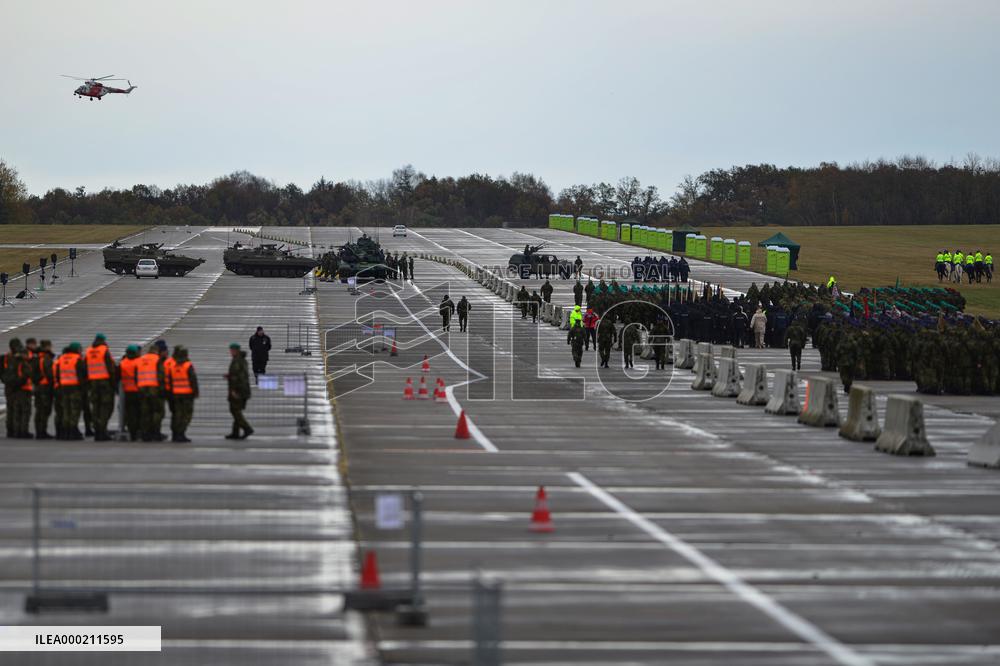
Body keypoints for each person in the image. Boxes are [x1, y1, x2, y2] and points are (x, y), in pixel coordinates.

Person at [85, 333, 117, 441]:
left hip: (93, 383)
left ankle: (97, 430)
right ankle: (102, 430)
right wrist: (114, 384)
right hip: (104, 383)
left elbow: (85, 368)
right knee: (106, 407)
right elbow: (110, 368)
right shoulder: (104, 350)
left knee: (95, 407)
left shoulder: (88, 351)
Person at [2, 338, 33, 438]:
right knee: (22, 410)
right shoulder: (21, 359)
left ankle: (11, 430)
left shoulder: (6, 357)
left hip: (9, 386)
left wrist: (6, 381)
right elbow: (26, 373)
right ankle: (21, 431)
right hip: (21, 387)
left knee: (12, 409)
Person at [138, 341, 168, 442]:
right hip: (155, 390)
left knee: (145, 413)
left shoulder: (141, 359)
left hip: (142, 389)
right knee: (157, 412)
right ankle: (156, 433)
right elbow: (161, 376)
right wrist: (163, 389)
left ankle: (145, 434)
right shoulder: (157, 359)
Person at [56, 342, 87, 440]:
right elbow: (82, 374)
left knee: (66, 410)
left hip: (64, 387)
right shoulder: (77, 359)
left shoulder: (61, 358)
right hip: (75, 387)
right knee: (75, 410)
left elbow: (57, 373)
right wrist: (83, 388)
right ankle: (73, 431)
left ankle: (66, 431)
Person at [169, 345, 198, 442]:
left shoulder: (173, 366)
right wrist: (195, 392)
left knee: (178, 414)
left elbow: (170, 380)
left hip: (176, 393)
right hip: (187, 394)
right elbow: (193, 380)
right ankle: (181, 433)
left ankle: (176, 434)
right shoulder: (188, 365)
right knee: (186, 415)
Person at [225, 343, 253, 439]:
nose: (230, 352)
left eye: (232, 350)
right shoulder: (241, 360)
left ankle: (247, 428)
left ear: (236, 350)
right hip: (243, 389)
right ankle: (235, 432)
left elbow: (238, 378)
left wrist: (234, 390)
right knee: (237, 411)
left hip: (239, 390)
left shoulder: (237, 361)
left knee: (235, 411)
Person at [32, 340, 55, 439]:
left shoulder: (35, 357)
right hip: (45, 387)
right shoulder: (45, 358)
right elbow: (50, 373)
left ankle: (39, 431)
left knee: (39, 410)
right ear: (47, 347)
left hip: (37, 386)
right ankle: (42, 432)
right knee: (45, 410)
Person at [119, 345, 142, 441]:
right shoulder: (138, 362)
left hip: (127, 392)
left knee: (130, 414)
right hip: (137, 391)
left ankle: (132, 432)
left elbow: (118, 377)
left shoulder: (122, 363)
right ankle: (138, 432)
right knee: (139, 413)